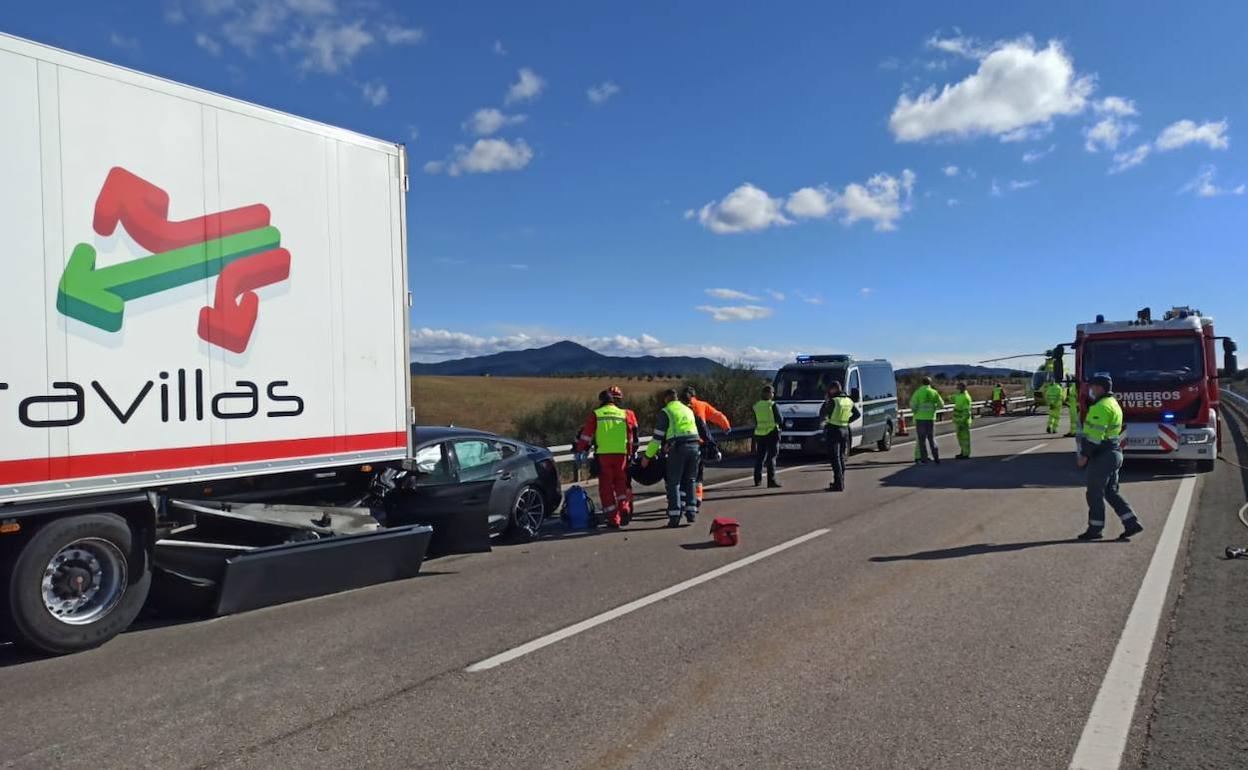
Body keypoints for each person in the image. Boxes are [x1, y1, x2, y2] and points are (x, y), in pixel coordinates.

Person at [1076, 373, 1143, 540]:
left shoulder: (1100, 407)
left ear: (1099, 387)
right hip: (1114, 452)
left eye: (1092, 386)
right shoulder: (1113, 403)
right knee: (1110, 492)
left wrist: (1084, 455)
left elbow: (1094, 437)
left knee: (1094, 493)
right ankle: (1131, 523)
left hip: (1102, 455)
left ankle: (1095, 529)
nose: (1090, 389)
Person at [574, 388, 638, 527]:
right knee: (621, 484)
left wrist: (580, 449)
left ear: (601, 401)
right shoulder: (624, 414)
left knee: (606, 488)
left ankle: (613, 519)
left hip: (604, 456)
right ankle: (624, 508)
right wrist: (630, 454)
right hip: (621, 455)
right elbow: (631, 437)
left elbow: (586, 436)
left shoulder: (597, 414)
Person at [641, 389, 703, 528]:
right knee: (691, 479)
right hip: (694, 446)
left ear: (666, 399)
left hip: (678, 448)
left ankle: (674, 516)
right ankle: (691, 513)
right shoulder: (688, 409)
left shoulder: (666, 411)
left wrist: (647, 457)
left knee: (674, 482)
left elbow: (657, 438)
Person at [684, 385, 731, 504]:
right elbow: (717, 415)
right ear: (694, 395)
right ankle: (698, 496)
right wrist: (726, 427)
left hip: (681, 442)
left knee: (683, 472)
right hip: (699, 442)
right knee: (699, 472)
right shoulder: (701, 405)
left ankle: (683, 497)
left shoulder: (679, 407)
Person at [820, 381, 860, 491]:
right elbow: (857, 414)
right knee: (842, 457)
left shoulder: (833, 401)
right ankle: (840, 481)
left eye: (829, 389)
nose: (828, 391)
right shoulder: (848, 400)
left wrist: (826, 401)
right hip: (845, 430)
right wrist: (846, 421)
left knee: (835, 458)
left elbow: (822, 413)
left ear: (834, 389)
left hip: (834, 430)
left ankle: (838, 483)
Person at [753, 384, 784, 488]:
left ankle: (757, 480)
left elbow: (756, 421)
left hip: (759, 434)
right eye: (772, 393)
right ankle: (771, 481)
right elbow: (780, 419)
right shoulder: (773, 405)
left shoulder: (756, 405)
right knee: (771, 457)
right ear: (771, 394)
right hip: (772, 433)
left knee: (760, 457)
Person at [909, 377, 945, 463]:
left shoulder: (918, 392)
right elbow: (942, 405)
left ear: (922, 383)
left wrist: (915, 412)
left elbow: (913, 405)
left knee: (921, 440)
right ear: (930, 383)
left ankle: (924, 459)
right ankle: (936, 457)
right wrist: (934, 407)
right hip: (931, 419)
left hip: (920, 418)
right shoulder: (934, 392)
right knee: (932, 439)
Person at [952, 381, 973, 459]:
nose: (956, 389)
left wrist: (961, 422)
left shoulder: (965, 397)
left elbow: (966, 412)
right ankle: (963, 452)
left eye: (958, 387)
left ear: (962, 388)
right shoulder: (959, 395)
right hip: (958, 421)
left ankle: (966, 454)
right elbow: (953, 397)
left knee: (965, 439)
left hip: (963, 422)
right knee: (960, 438)